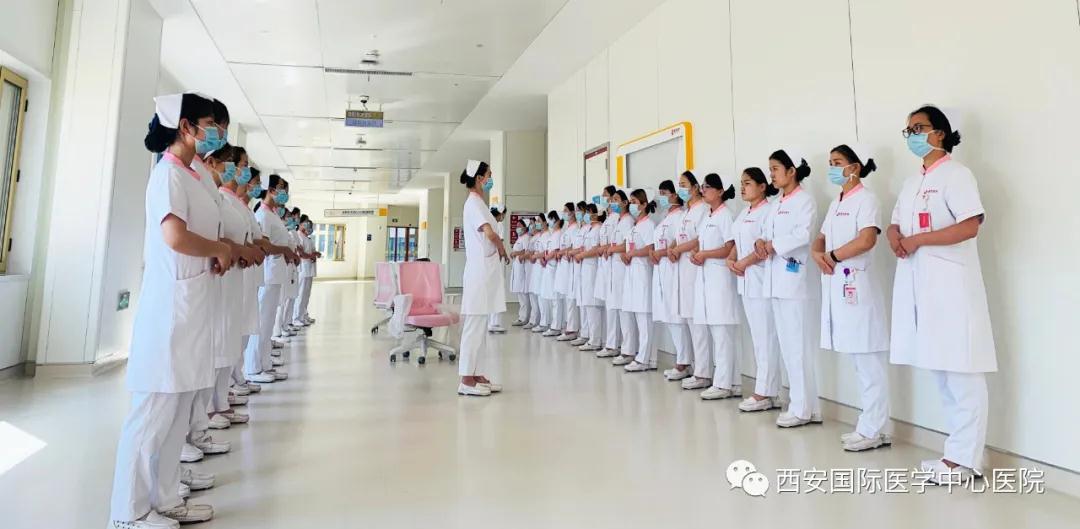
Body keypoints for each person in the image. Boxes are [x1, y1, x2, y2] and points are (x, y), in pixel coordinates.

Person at [109, 93, 226, 529]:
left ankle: (166, 496)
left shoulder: (192, 175)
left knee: (176, 412)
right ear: (186, 127)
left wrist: (216, 251)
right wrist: (217, 248)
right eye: (210, 124)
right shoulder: (168, 175)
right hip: (170, 312)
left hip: (191, 307)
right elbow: (175, 236)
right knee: (152, 414)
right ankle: (128, 513)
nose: (215, 133)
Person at [888, 105, 996, 482]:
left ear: (940, 133)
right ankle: (957, 453)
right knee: (941, 370)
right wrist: (895, 237)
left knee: (962, 371)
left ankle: (965, 460)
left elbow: (969, 226)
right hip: (922, 288)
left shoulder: (957, 175)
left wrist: (918, 240)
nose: (913, 136)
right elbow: (895, 223)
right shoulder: (911, 182)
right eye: (909, 130)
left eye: (919, 128)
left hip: (952, 288)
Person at [812, 143, 891, 452]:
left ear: (854, 167)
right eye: (830, 162)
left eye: (838, 162)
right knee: (859, 362)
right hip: (840, 284)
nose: (832, 168)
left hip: (858, 284)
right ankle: (869, 425)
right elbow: (821, 236)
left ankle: (874, 429)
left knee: (869, 361)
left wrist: (832, 256)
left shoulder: (867, 199)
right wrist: (817, 253)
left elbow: (867, 239)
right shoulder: (837, 202)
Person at [755, 148, 821, 428]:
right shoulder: (776, 203)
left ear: (791, 171)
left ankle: (801, 408)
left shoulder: (804, 201)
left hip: (794, 282)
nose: (771, 174)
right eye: (770, 169)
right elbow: (766, 234)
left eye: (775, 169)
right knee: (788, 346)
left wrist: (773, 245)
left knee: (797, 348)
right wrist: (761, 242)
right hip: (776, 281)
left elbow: (803, 234)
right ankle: (808, 407)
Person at [730, 168, 782, 413]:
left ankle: (765, 392)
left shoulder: (768, 211)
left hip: (761, 280)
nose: (743, 187)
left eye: (748, 183)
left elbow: (763, 248)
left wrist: (743, 263)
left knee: (766, 338)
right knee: (758, 338)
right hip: (746, 281)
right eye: (741, 183)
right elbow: (736, 242)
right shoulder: (744, 213)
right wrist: (732, 260)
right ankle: (768, 390)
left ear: (762, 186)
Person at [457, 160, 508, 397]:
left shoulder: (478, 203)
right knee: (474, 325)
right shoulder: (474, 203)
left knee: (480, 326)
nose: (490, 179)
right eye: (489, 175)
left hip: (484, 271)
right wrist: (502, 248)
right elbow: (489, 233)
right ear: (479, 178)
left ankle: (476, 373)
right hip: (479, 272)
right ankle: (466, 379)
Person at [690, 174, 742, 400]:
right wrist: (697, 253)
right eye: (702, 187)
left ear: (720, 191)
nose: (703, 191)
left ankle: (723, 384)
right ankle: (732, 382)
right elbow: (704, 244)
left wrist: (705, 254)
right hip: (708, 277)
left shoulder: (725, 215)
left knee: (722, 334)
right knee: (717, 332)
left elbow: (730, 248)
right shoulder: (709, 216)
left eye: (708, 187)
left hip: (720, 279)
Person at [243, 175, 297, 385]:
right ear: (271, 189)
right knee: (262, 322)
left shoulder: (272, 214)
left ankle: (264, 363)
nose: (284, 193)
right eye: (281, 188)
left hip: (276, 274)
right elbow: (264, 245)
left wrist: (286, 252)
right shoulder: (263, 215)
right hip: (267, 274)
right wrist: (284, 250)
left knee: (268, 322)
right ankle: (253, 368)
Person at [667, 171, 712, 388]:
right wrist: (672, 247)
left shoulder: (703, 209)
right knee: (689, 321)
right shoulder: (687, 212)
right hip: (682, 269)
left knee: (697, 322)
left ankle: (703, 373)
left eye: (684, 184)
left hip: (694, 269)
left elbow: (699, 239)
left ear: (695, 187)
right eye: (679, 185)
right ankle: (694, 366)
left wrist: (678, 249)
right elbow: (679, 237)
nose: (681, 189)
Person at [649, 180, 688, 375]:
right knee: (668, 315)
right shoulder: (666, 217)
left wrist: (661, 253)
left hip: (673, 268)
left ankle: (684, 362)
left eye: (664, 193)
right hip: (662, 269)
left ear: (674, 195)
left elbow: (678, 243)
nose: (661, 197)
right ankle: (682, 359)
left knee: (676, 316)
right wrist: (655, 253)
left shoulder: (680, 216)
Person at [618, 189, 657, 372]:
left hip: (642, 274)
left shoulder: (648, 225)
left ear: (644, 204)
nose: (631, 205)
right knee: (636, 316)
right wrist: (626, 255)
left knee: (644, 318)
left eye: (634, 202)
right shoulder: (635, 226)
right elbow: (629, 248)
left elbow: (650, 249)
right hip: (632, 273)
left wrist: (632, 253)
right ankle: (642, 356)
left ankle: (644, 360)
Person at [598, 189, 633, 358]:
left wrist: (611, 249)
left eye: (616, 199)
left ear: (625, 202)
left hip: (622, 269)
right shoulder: (618, 221)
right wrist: (609, 249)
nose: (612, 202)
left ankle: (627, 350)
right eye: (611, 200)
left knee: (623, 311)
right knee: (613, 308)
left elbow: (627, 244)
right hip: (613, 269)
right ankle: (612, 345)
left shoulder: (628, 221)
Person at [575, 203, 605, 352]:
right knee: (586, 304)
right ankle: (588, 336)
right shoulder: (590, 229)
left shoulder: (598, 229)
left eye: (589, 212)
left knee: (592, 306)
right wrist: (581, 252)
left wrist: (581, 254)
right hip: (585, 267)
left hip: (592, 268)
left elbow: (595, 250)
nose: (586, 214)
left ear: (596, 213)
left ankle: (595, 340)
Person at [556, 202, 580, 342]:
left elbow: (574, 247)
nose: (564, 212)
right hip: (564, 266)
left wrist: (563, 252)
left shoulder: (575, 229)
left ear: (572, 212)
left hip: (571, 266)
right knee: (566, 298)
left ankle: (572, 329)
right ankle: (568, 325)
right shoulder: (567, 229)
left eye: (566, 210)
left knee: (571, 299)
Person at [569, 200, 591, 347]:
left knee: (586, 303)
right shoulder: (581, 228)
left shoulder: (588, 228)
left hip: (584, 265)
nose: (577, 213)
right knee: (581, 303)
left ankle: (586, 334)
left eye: (579, 210)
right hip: (578, 267)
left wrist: (574, 252)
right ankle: (583, 333)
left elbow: (584, 248)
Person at [292, 215, 319, 327]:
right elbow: (301, 254)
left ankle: (303, 315)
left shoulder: (307, 237)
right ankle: (296, 318)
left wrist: (314, 255)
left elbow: (309, 252)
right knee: (301, 294)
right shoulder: (298, 236)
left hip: (309, 269)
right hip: (302, 269)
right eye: (306, 222)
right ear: (301, 223)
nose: (308, 225)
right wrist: (311, 255)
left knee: (306, 295)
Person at [540, 210, 564, 337]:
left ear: (557, 220)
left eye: (551, 218)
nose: (549, 221)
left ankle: (556, 327)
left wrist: (545, 258)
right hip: (549, 267)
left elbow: (555, 251)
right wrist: (544, 258)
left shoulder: (559, 234)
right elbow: (548, 250)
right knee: (551, 298)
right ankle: (554, 324)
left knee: (556, 299)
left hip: (554, 268)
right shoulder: (553, 234)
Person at [488, 206, 509, 333]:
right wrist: (504, 255)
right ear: (500, 214)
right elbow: (499, 243)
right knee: (497, 291)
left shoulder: (488, 223)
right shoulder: (498, 225)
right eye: (504, 214)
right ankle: (494, 323)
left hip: (489, 261)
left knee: (491, 291)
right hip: (495, 261)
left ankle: (490, 322)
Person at [526, 216, 547, 331]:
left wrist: (535, 256)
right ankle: (537, 321)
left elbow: (545, 252)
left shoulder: (544, 236)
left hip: (541, 268)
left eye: (538, 221)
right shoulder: (539, 236)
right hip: (535, 267)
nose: (533, 225)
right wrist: (534, 255)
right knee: (535, 295)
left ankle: (541, 322)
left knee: (540, 296)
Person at [510, 218, 533, 326]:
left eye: (519, 226)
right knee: (520, 294)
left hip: (523, 268)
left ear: (525, 227)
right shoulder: (521, 238)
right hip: (518, 267)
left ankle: (524, 318)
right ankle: (522, 316)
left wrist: (516, 253)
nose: (517, 228)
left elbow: (526, 251)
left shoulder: (526, 238)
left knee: (523, 294)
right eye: (517, 226)